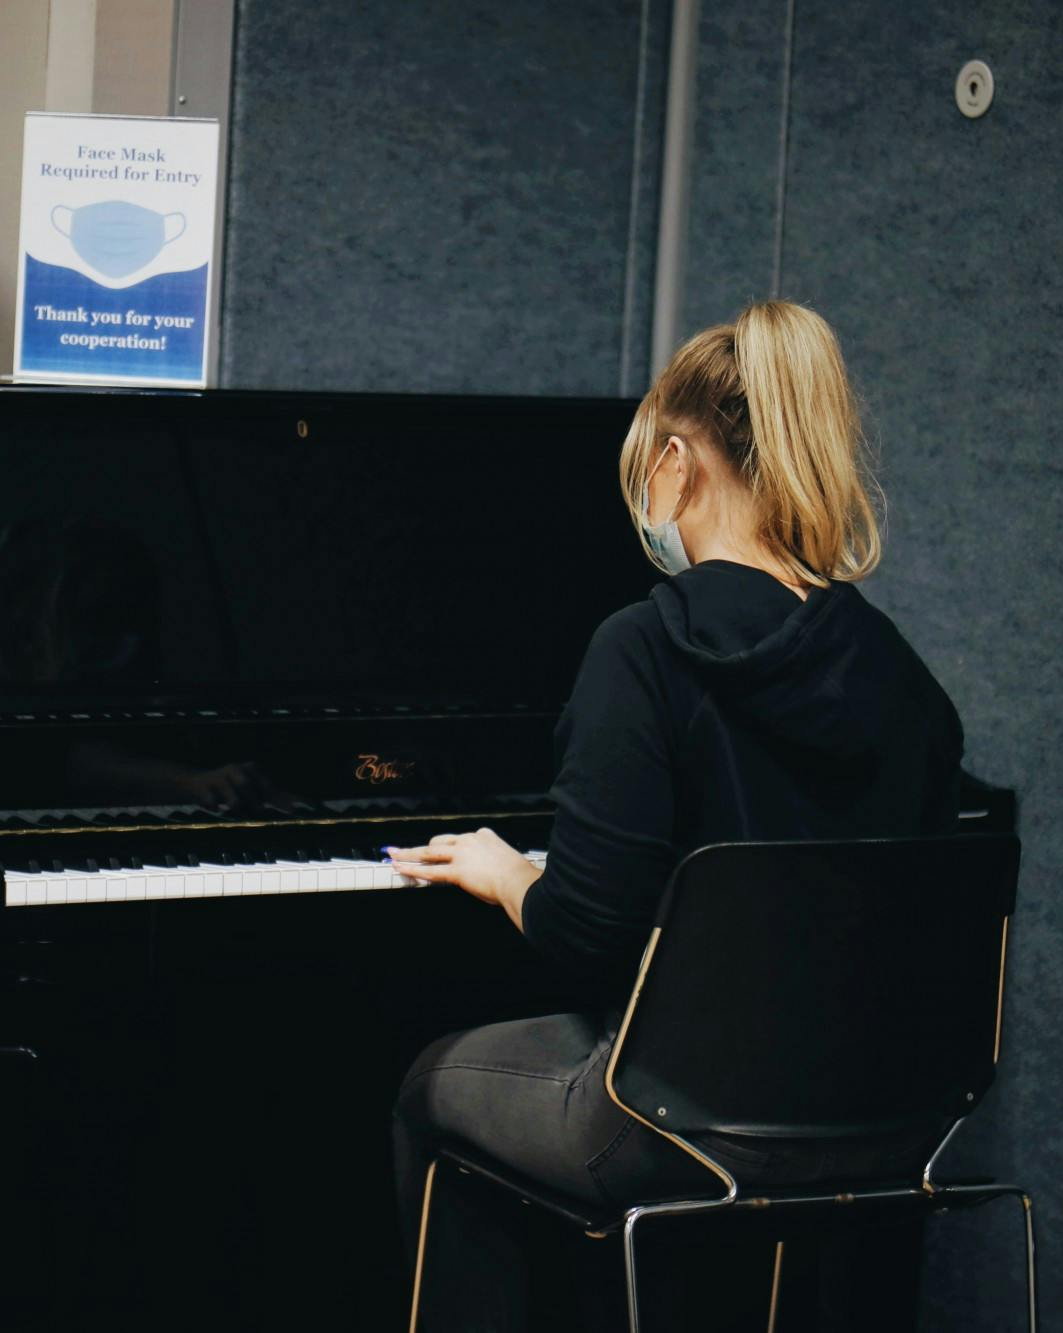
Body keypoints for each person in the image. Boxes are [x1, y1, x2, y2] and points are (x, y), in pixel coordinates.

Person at [387, 300, 965, 1329]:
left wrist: (506, 870)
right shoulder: (901, 678)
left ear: (671, 464)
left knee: (432, 1087)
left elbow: (586, 930)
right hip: (888, 1123)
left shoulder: (642, 649)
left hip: (681, 1123)